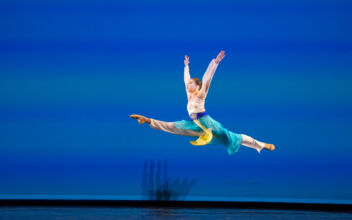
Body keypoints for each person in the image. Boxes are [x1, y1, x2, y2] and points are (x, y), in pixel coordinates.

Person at [130, 50, 275, 155]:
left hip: (208, 123)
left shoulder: (201, 94)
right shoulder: (189, 93)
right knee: (173, 127)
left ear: (198, 87)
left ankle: (261, 145)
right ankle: (147, 120)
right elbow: (186, 79)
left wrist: (215, 62)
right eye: (189, 84)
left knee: (233, 138)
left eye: (192, 84)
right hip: (194, 124)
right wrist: (186, 66)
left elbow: (207, 78)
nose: (189, 85)